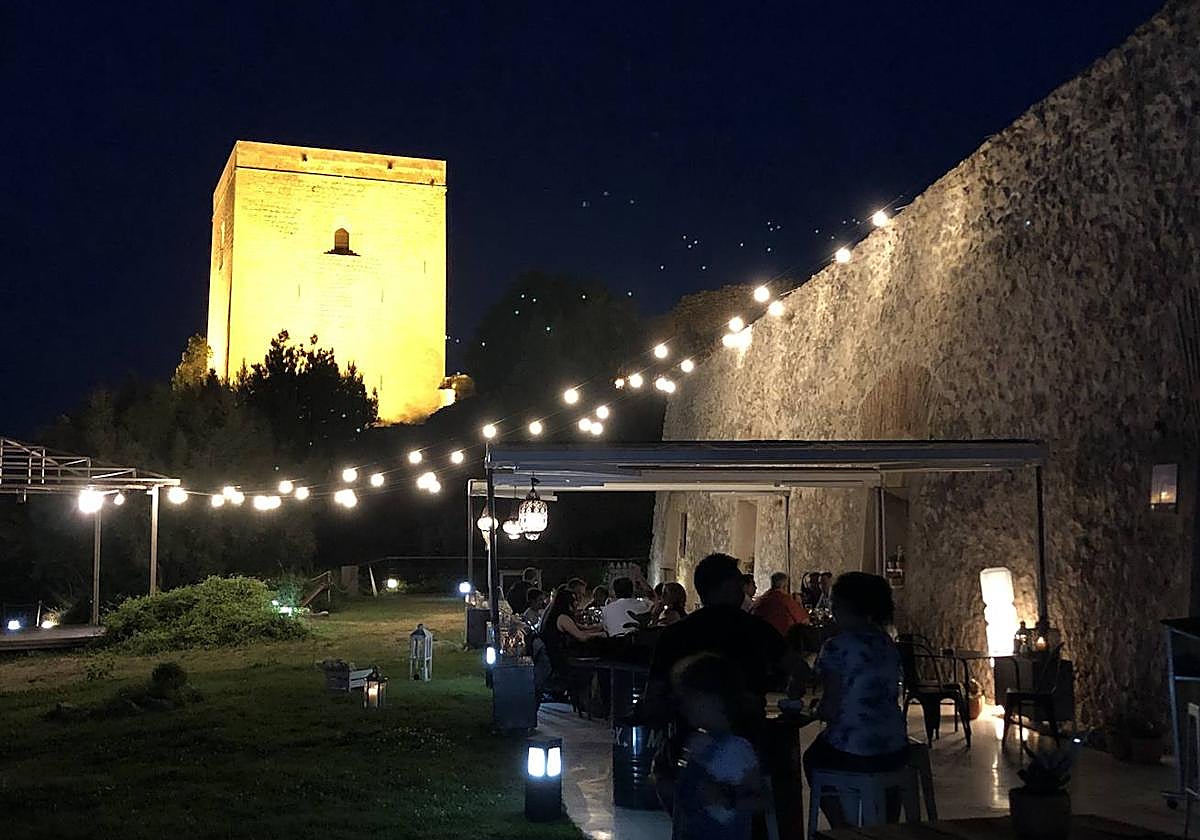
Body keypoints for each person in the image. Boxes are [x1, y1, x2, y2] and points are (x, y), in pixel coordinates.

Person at [803, 572, 909, 827]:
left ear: (844, 607)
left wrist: (814, 709)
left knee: (812, 758)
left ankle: (843, 829)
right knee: (889, 771)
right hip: (895, 744)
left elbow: (831, 706)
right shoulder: (887, 643)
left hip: (853, 749)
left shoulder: (836, 646)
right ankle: (887, 827)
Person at [670, 654, 761, 840]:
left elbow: (761, 799)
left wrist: (728, 798)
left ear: (713, 699)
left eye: (689, 697)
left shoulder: (737, 749)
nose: (684, 706)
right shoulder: (697, 743)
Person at [751, 572, 810, 637]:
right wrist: (799, 603)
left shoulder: (761, 599)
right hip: (782, 640)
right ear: (784, 586)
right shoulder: (786, 600)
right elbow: (805, 621)